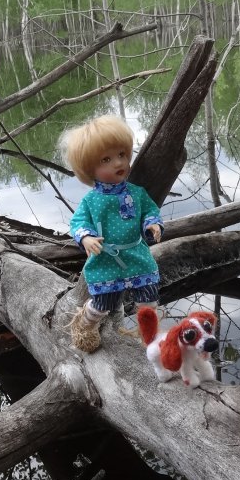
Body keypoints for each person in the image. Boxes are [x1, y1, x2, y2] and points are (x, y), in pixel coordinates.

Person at [62, 114, 163, 352]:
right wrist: (85, 237)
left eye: (121, 155)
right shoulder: (91, 200)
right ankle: (84, 325)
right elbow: (77, 222)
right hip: (106, 259)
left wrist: (152, 224)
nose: (118, 163)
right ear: (90, 169)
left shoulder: (137, 192)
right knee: (102, 303)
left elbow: (150, 209)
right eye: (106, 159)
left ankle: (149, 337)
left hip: (136, 254)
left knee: (148, 298)